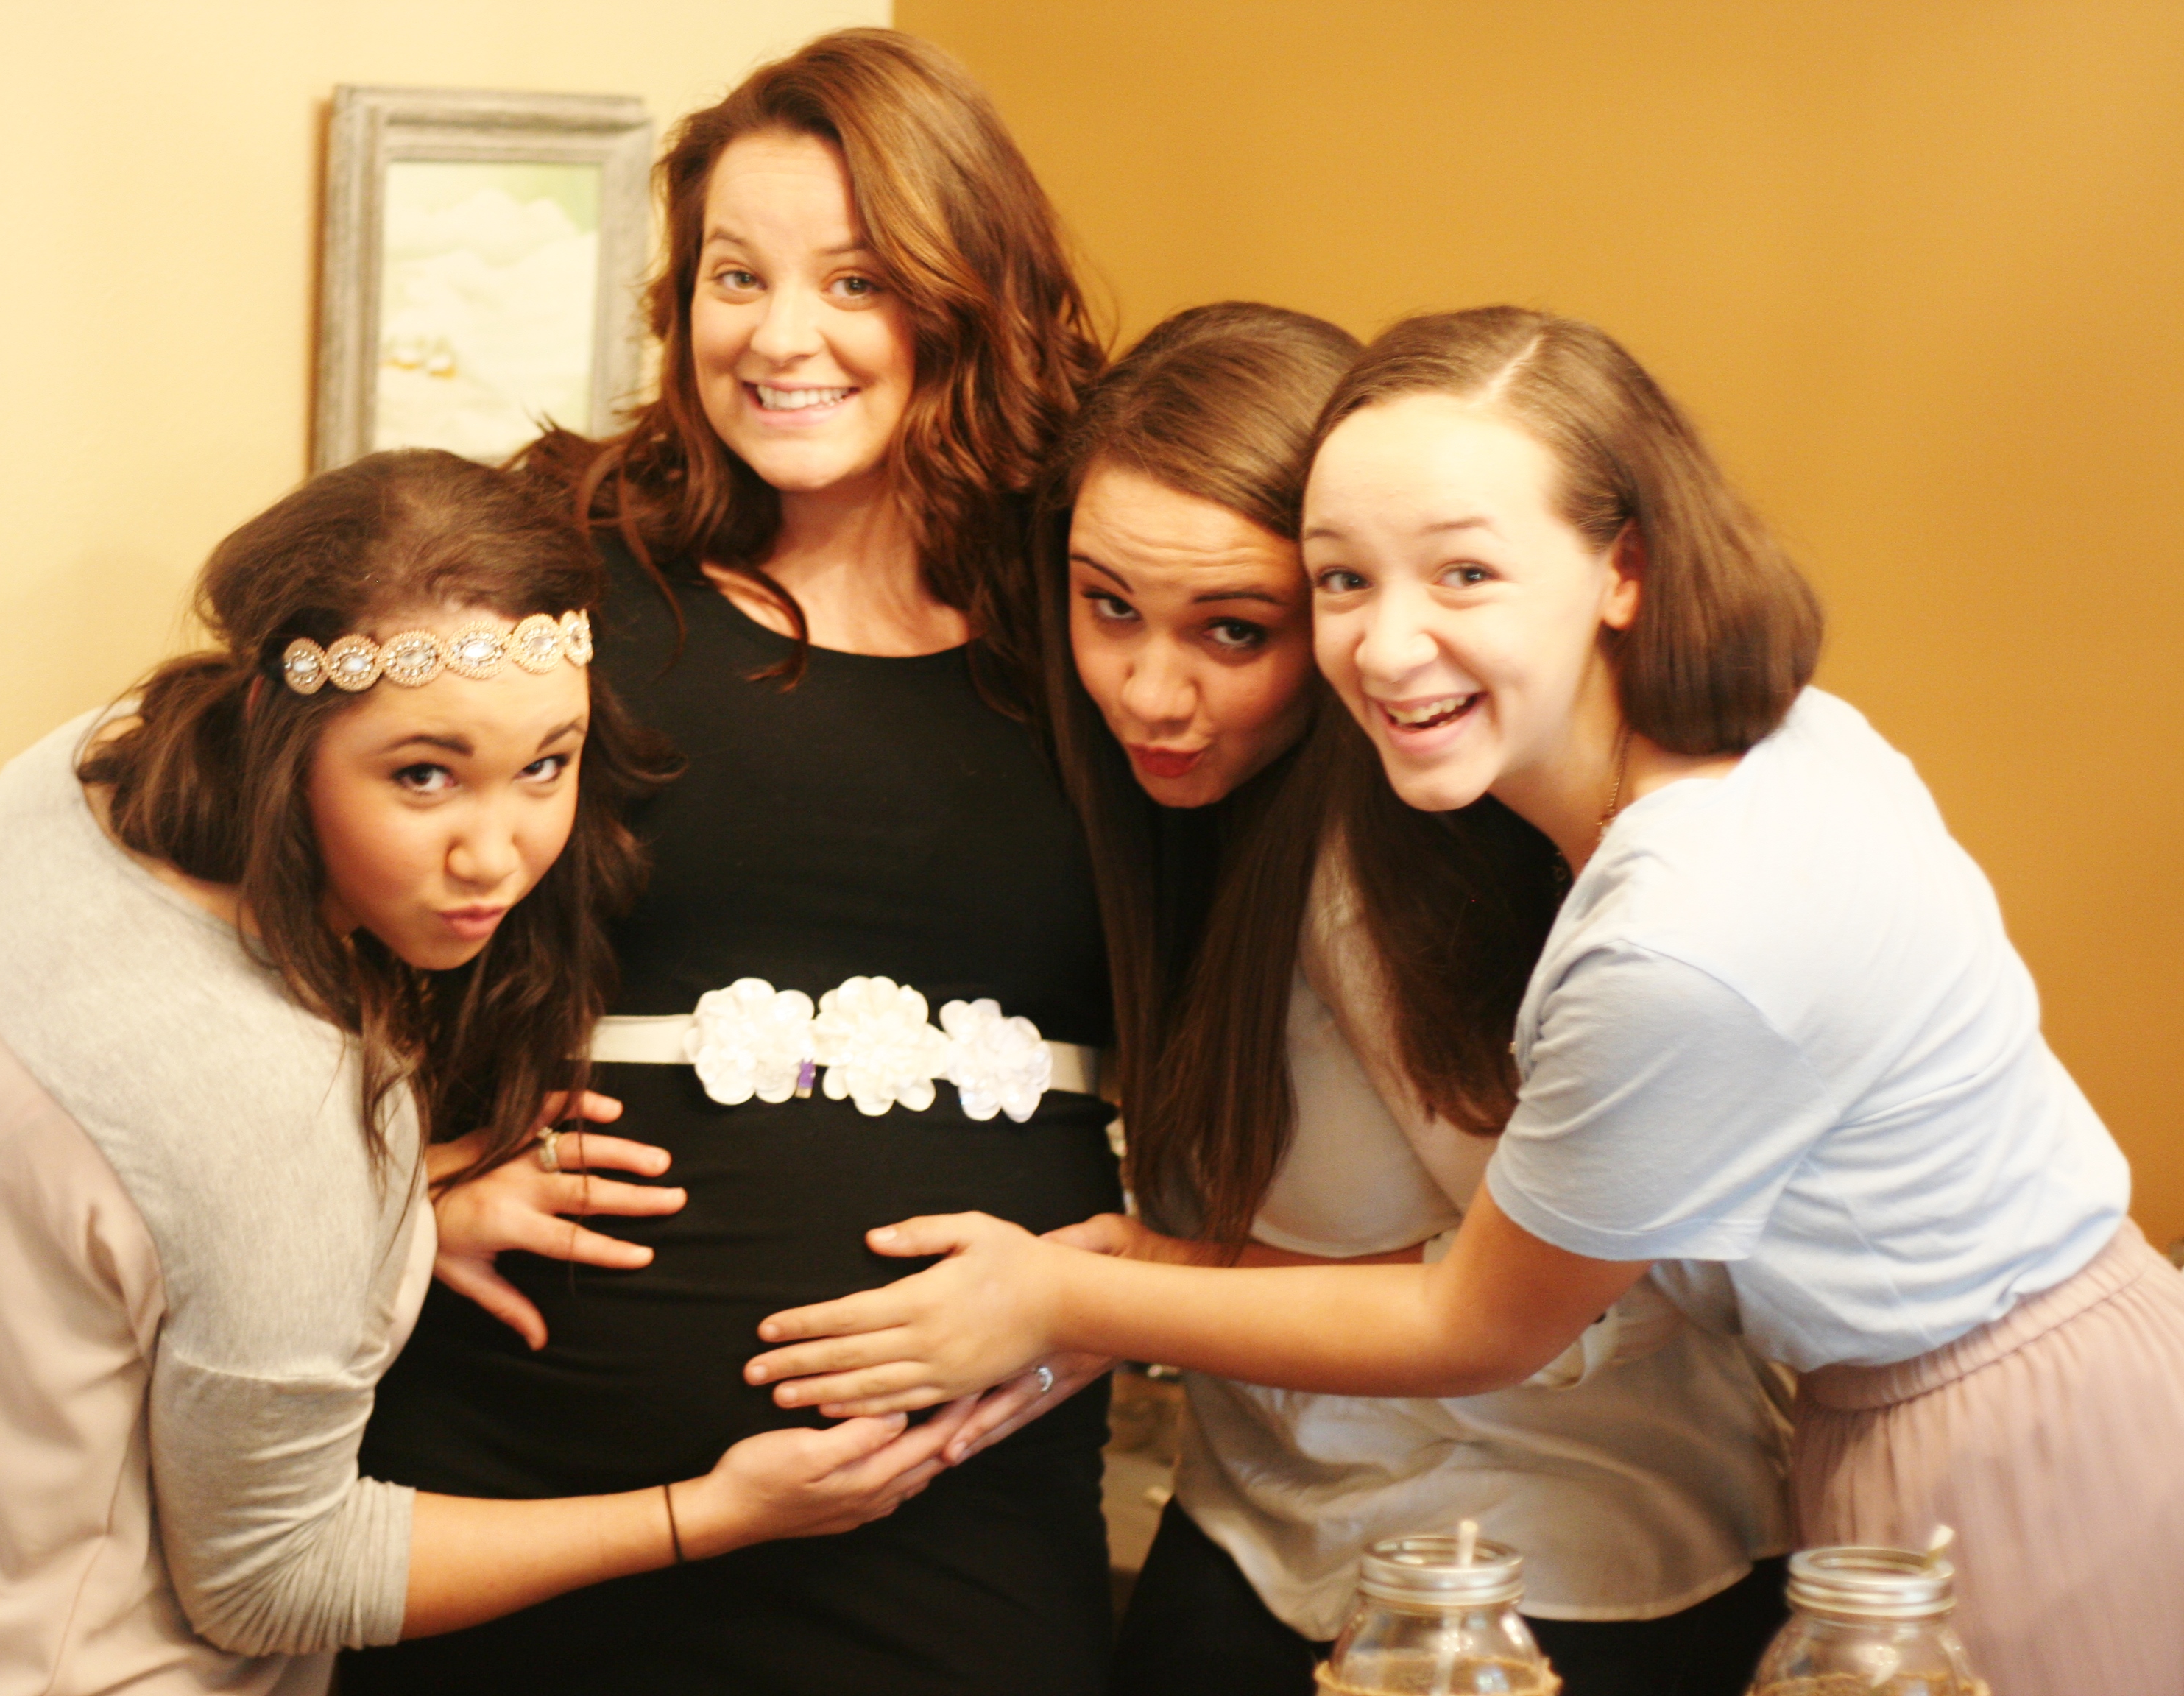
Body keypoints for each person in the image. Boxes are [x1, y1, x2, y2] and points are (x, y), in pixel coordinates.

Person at [743, 307, 2184, 1696]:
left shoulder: (1643, 919)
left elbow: (1498, 1317)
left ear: (1623, 569)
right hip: (1804, 1434)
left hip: (1857, 1467)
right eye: (1347, 582)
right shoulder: (1697, 773)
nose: (1387, 646)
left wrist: (1083, 1295)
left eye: (1465, 576)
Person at [0, 451, 957, 1696]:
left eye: (547, 764)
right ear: (280, 734)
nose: (496, 854)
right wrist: (703, 1515)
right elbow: (270, 1581)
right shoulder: (274, 1115)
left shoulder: (67, 788)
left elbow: (133, 1192)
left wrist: (395, 1219)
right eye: (423, 775)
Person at [342, 29, 1120, 1696]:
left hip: (953, 1516)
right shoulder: (558, 564)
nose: (779, 337)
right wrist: (403, 1210)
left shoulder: (1101, 619)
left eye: (856, 281)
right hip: (524, 1468)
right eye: (734, 275)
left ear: (969, 296)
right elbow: (182, 790)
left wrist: (1109, 1290)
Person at [1029, 300, 1792, 1695]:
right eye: (1109, 606)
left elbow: (1582, 1309)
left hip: (1550, 1551)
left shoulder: (1395, 874)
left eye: (1235, 629)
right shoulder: (1172, 826)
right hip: (1264, 1520)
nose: (1151, 692)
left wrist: (1112, 1287)